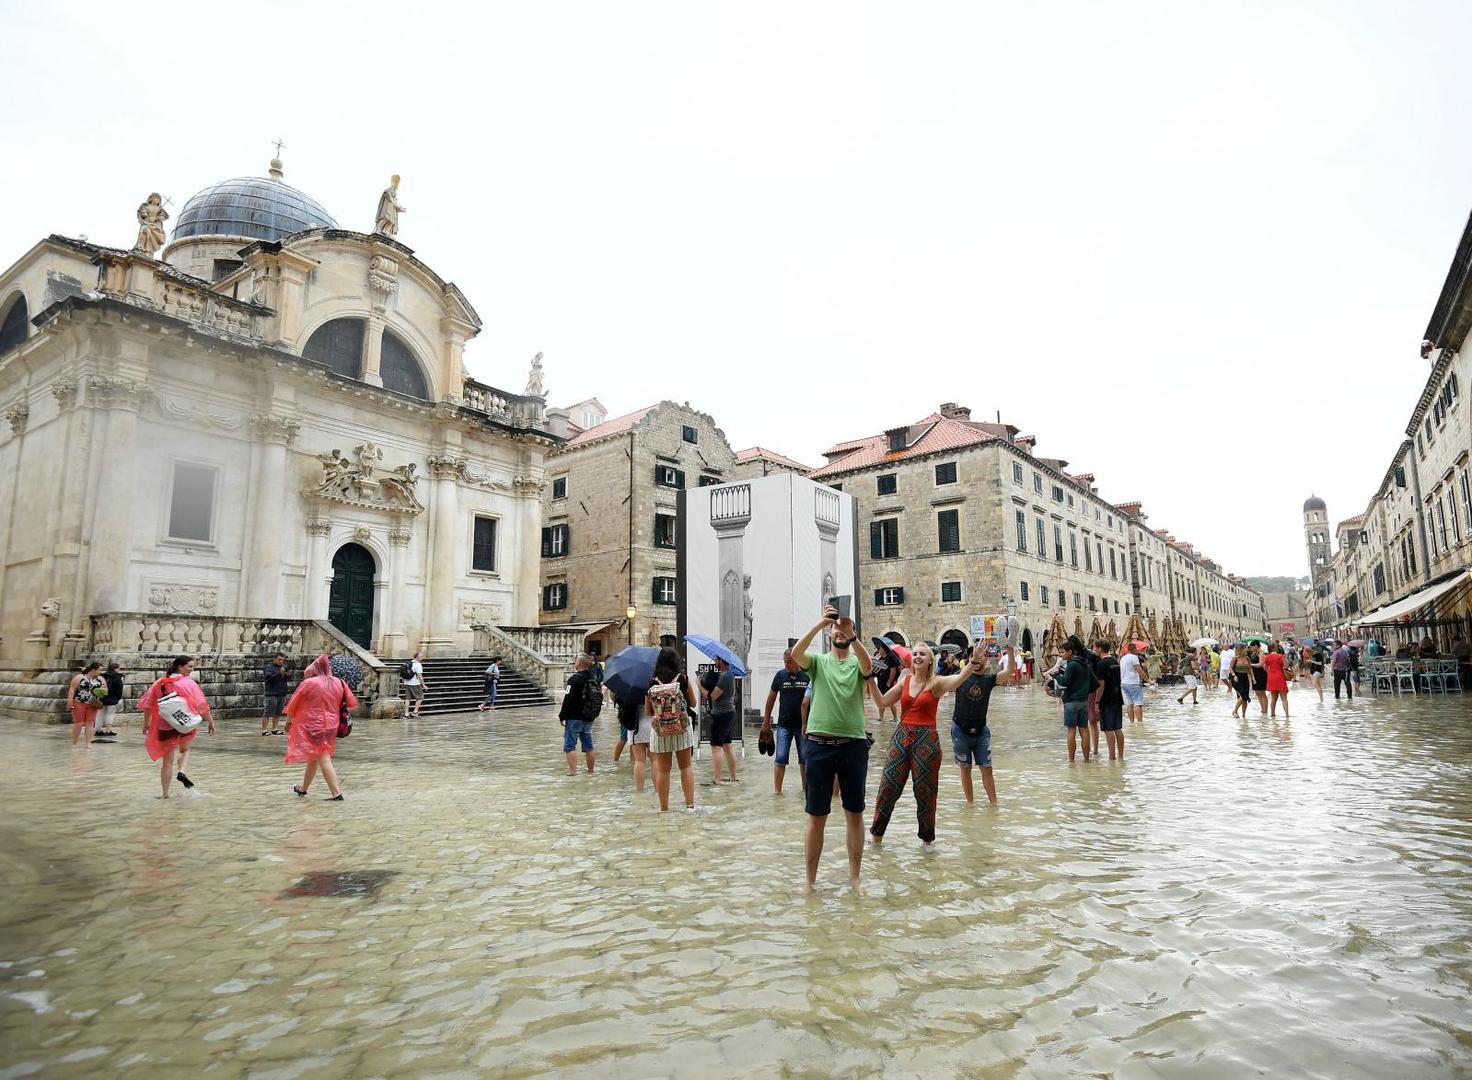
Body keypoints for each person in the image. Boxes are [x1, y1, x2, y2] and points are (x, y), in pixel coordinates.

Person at [792, 604, 873, 890]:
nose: (840, 631)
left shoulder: (857, 661)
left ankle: (854, 878)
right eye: (836, 628)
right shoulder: (818, 662)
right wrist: (819, 624)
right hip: (818, 744)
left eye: (845, 628)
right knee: (816, 817)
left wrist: (853, 636)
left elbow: (868, 667)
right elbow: (796, 654)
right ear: (829, 633)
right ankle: (810, 882)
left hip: (853, 745)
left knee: (855, 813)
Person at [869, 641, 973, 848]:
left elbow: (960, 679)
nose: (917, 656)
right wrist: (869, 677)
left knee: (925, 792)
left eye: (922, 654)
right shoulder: (904, 681)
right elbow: (881, 702)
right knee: (887, 787)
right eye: (915, 653)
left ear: (930, 661)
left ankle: (927, 841)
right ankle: (876, 839)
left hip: (927, 740)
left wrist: (973, 661)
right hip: (901, 736)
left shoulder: (937, 683)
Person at [137, 656, 215, 798]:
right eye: (190, 666)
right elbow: (201, 705)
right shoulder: (189, 683)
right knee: (185, 750)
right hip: (184, 723)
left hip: (164, 724)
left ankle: (165, 794)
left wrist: (146, 723)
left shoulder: (159, 683)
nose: (192, 669)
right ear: (180, 667)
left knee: (167, 762)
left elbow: (147, 705)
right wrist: (210, 721)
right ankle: (182, 771)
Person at [283, 653, 354, 800]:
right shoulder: (340, 682)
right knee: (313, 756)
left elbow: (293, 704)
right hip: (332, 725)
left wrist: (289, 722)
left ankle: (336, 793)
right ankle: (303, 789)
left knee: (323, 757)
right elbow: (351, 703)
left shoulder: (310, 683)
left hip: (313, 725)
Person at [951, 644, 1013, 804]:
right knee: (965, 769)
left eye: (981, 656)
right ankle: (970, 805)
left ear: (986, 659)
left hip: (981, 731)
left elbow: (1009, 672)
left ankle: (994, 805)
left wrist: (1010, 650)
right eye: (974, 656)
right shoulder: (960, 677)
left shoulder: (988, 680)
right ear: (969, 659)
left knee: (987, 769)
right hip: (960, 730)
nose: (978, 659)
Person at [646, 647, 698, 811]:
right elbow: (694, 703)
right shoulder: (683, 679)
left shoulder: (652, 683)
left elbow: (648, 712)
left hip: (660, 731)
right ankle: (689, 806)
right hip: (681, 728)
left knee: (663, 771)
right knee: (686, 767)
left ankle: (664, 809)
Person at [761, 650, 810, 795]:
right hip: (784, 725)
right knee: (780, 758)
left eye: (789, 661)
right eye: (784, 661)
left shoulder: (807, 676)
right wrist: (766, 721)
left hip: (803, 726)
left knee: (804, 760)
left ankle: (805, 791)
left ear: (797, 661)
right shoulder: (780, 676)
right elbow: (771, 698)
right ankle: (777, 793)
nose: (786, 664)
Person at [1054, 637, 1098, 762]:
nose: (1060, 655)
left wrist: (1057, 675)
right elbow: (1095, 684)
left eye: (1062, 652)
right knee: (1084, 729)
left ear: (1070, 652)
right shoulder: (1085, 664)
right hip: (1083, 701)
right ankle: (1086, 760)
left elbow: (1065, 682)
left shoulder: (1071, 665)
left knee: (1071, 731)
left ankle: (1072, 761)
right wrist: (1084, 691)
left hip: (1071, 702)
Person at [559, 654, 597, 775]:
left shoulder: (574, 679)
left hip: (575, 717)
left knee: (570, 745)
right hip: (589, 716)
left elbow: (568, 699)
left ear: (579, 663)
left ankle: (573, 772)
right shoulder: (593, 678)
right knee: (589, 746)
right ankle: (591, 770)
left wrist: (562, 715)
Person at [707, 656, 739, 784]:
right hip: (728, 713)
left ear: (722, 661)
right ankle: (733, 777)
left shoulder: (725, 676)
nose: (715, 661)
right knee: (727, 745)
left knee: (716, 747)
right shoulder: (729, 675)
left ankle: (718, 779)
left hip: (721, 715)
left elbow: (713, 696)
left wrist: (698, 683)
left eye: (716, 659)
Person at [1093, 640, 1125, 760]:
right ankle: (1121, 756)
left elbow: (1101, 685)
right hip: (1118, 698)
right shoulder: (1115, 662)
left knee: (1108, 728)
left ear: (1100, 648)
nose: (1094, 650)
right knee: (1117, 728)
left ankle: (1112, 757)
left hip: (1106, 700)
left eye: (1095, 647)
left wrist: (1096, 702)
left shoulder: (1101, 665)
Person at [67, 662, 104, 748]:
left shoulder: (100, 679)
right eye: (99, 670)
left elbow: (104, 689)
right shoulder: (80, 677)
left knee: (89, 724)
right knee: (78, 723)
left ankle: (88, 743)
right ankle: (74, 743)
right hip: (79, 702)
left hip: (92, 704)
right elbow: (72, 689)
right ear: (93, 669)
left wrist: (101, 692)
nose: (100, 672)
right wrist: (70, 701)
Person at [1119, 641, 1148, 723]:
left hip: (1124, 683)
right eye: (1137, 649)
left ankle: (1131, 722)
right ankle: (1140, 723)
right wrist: (1148, 680)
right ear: (1134, 649)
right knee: (1138, 704)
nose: (1138, 651)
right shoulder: (1134, 657)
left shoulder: (1123, 658)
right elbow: (1139, 670)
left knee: (1129, 704)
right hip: (1133, 683)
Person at [262, 653, 290, 736]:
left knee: (278, 712)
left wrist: (287, 675)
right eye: (279, 659)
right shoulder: (269, 667)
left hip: (281, 692)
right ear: (274, 659)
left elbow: (287, 678)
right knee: (268, 712)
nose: (281, 661)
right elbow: (269, 678)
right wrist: (280, 673)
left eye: (282, 660)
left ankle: (275, 729)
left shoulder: (284, 667)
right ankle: (264, 730)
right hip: (271, 693)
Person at [96, 662, 125, 740]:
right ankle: (108, 730)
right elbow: (119, 689)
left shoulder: (102, 676)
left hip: (102, 697)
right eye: (119, 668)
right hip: (112, 698)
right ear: (116, 669)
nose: (119, 670)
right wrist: (118, 698)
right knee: (110, 714)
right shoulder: (118, 677)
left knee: (100, 714)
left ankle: (98, 730)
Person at [1264, 642, 1290, 718]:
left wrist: (1270, 671)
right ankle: (1287, 715)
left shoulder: (1267, 657)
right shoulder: (1280, 656)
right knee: (1284, 698)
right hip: (1280, 676)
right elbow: (1286, 665)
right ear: (1276, 648)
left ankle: (1272, 714)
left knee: (1273, 698)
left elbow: (1265, 668)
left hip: (1271, 677)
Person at [1230, 646, 1253, 718]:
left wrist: (1252, 680)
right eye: (1244, 649)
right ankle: (1235, 711)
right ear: (1240, 650)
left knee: (1245, 698)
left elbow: (1249, 670)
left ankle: (1244, 715)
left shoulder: (1247, 658)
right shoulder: (1235, 658)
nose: (1246, 650)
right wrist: (1234, 675)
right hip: (1236, 678)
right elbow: (1230, 668)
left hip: (1245, 678)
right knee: (1243, 696)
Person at [401, 652, 426, 718]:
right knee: (420, 697)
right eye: (421, 656)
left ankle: (406, 714)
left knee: (407, 699)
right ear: (417, 657)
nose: (422, 658)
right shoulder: (418, 665)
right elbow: (420, 676)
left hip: (407, 683)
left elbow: (403, 675)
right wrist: (423, 685)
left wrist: (403, 683)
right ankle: (415, 712)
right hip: (415, 684)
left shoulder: (408, 663)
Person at [1248, 644, 1269, 714]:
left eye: (1252, 647)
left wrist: (1251, 665)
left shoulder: (1261, 653)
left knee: (1262, 692)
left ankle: (1265, 710)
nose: (1251, 648)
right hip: (1255, 674)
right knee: (1257, 692)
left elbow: (1261, 664)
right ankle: (1262, 709)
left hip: (1261, 674)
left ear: (1256, 646)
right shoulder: (1254, 654)